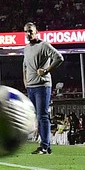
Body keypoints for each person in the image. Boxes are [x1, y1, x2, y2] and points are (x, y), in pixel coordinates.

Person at [23, 22, 64, 155]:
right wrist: (25, 81)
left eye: (30, 31)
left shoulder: (44, 45)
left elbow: (59, 58)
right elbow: (24, 66)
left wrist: (46, 70)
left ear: (36, 32)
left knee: (42, 116)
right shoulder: (26, 48)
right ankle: (46, 145)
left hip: (42, 85)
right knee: (38, 116)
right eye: (26, 32)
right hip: (31, 86)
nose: (28, 34)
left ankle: (45, 146)